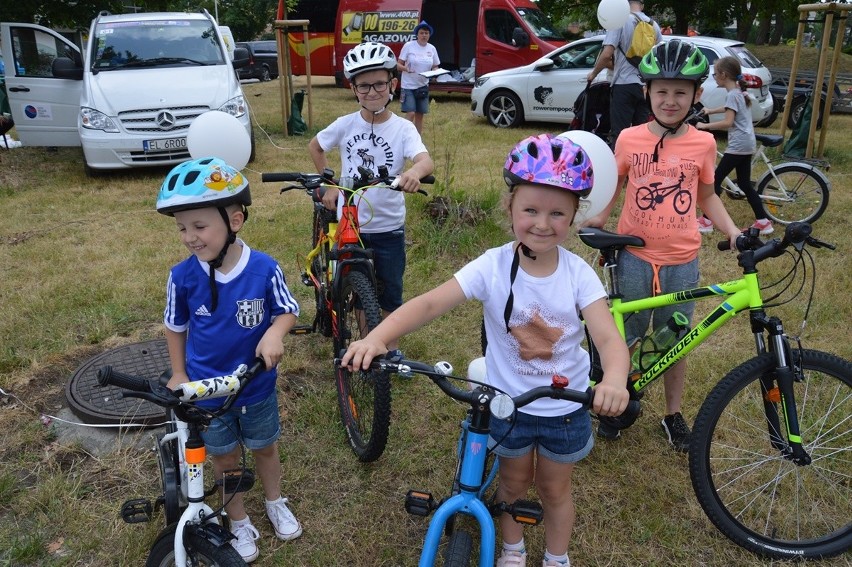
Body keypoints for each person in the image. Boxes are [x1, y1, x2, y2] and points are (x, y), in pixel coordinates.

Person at [342, 134, 631, 567]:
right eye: (530, 210)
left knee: (555, 490)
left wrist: (612, 379)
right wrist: (377, 337)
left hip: (565, 408)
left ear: (574, 217)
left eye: (557, 213)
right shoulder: (493, 265)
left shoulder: (579, 275)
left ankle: (557, 556)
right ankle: (512, 548)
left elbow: (609, 339)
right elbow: (430, 302)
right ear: (510, 209)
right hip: (507, 405)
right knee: (512, 485)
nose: (542, 223)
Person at [581, 39, 741, 452]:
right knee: (627, 337)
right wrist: (598, 220)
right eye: (662, 91)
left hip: (681, 260)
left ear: (696, 96)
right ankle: (618, 401)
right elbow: (613, 184)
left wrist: (733, 231)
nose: (670, 100)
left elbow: (706, 195)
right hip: (634, 256)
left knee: (675, 340)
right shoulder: (630, 139)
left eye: (680, 92)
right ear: (648, 92)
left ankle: (672, 414)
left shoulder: (704, 144)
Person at [157, 157, 302, 563]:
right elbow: (175, 326)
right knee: (223, 458)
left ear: (234, 220)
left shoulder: (263, 269)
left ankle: (274, 500)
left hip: (255, 386)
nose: (189, 237)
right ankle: (236, 518)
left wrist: (275, 332)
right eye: (182, 227)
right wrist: (180, 372)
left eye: (199, 226)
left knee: (265, 448)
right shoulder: (182, 276)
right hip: (207, 392)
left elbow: (287, 310)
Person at [308, 41, 435, 353]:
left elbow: (424, 160)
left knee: (390, 292)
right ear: (354, 88)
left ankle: (388, 347)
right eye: (363, 86)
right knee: (357, 290)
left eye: (379, 84)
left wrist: (414, 174)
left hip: (389, 226)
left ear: (392, 84)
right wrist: (331, 182)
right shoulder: (346, 124)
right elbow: (316, 146)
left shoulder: (403, 128)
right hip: (352, 223)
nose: (372, 92)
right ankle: (366, 343)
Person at [695, 56, 772, 235]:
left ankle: (706, 221)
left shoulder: (733, 95)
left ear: (723, 74)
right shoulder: (740, 92)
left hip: (738, 146)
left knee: (714, 180)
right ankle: (763, 221)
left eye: (715, 74)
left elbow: (728, 122)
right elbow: (730, 108)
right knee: (744, 184)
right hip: (747, 143)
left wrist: (704, 125)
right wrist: (711, 110)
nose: (714, 77)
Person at [587, 0, 662, 147]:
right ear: (643, 5)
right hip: (645, 87)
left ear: (625, 4)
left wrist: (593, 74)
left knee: (620, 133)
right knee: (642, 134)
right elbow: (658, 56)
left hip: (623, 85)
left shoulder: (619, 21)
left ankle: (619, 168)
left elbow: (607, 54)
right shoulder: (654, 26)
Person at [398, 21, 441, 133]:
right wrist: (406, 69)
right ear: (417, 34)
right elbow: (397, 65)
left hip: (423, 85)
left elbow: (435, 65)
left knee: (420, 115)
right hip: (408, 85)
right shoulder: (408, 46)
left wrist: (435, 72)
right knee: (411, 112)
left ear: (429, 35)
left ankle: (417, 139)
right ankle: (403, 134)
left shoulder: (432, 48)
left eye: (426, 33)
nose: (424, 35)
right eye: (421, 33)